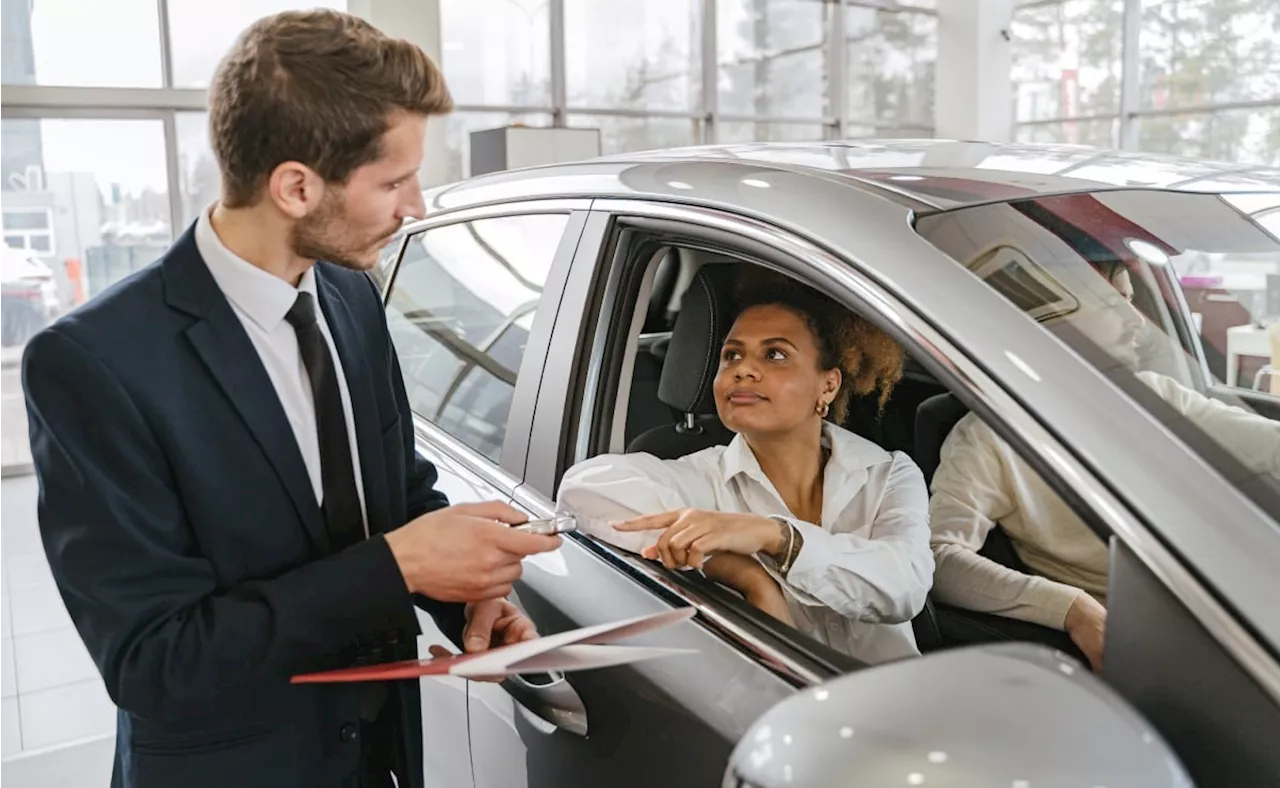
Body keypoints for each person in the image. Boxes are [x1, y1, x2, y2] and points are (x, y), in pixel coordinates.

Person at [20, 11, 559, 788]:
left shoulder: (350, 295)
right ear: (297, 186)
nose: (418, 206)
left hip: (379, 759)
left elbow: (394, 494)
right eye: (394, 180)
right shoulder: (94, 364)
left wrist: (462, 598)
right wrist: (398, 565)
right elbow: (154, 662)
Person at [558, 274, 934, 665]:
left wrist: (776, 537)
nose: (743, 370)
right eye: (732, 355)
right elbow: (582, 488)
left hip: (900, 703)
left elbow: (904, 587)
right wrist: (745, 575)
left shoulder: (889, 473)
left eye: (774, 355)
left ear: (828, 385)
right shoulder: (700, 481)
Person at [929, 260, 1280, 672]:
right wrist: (1072, 607)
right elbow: (938, 559)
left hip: (1245, 597)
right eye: (1114, 304)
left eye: (1130, 299)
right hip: (1173, 640)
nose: (1138, 322)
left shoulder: (1154, 395)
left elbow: (1269, 447)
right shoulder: (987, 438)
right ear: (1057, 317)